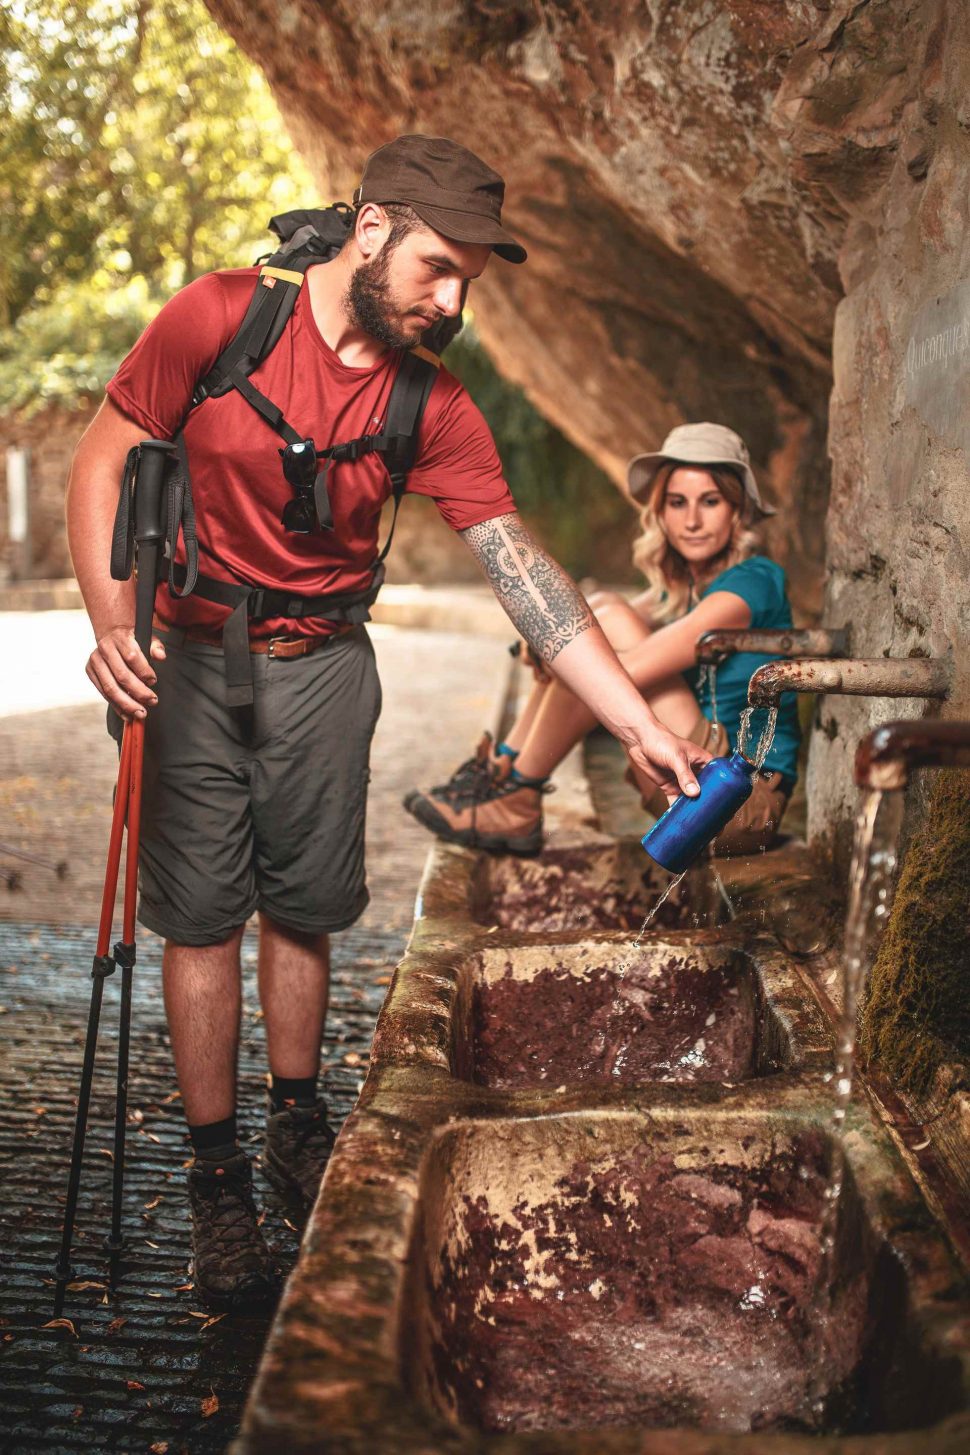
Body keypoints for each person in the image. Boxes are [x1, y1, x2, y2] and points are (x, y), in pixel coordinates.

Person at [65, 135, 708, 1309]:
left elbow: (526, 578)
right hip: (188, 660)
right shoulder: (217, 318)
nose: (454, 300)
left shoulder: (435, 401)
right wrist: (113, 623)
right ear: (371, 230)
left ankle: (297, 1122)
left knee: (303, 906)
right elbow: (103, 459)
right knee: (201, 919)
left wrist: (636, 725)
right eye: (437, 268)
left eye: (470, 279)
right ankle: (217, 1184)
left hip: (323, 666)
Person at [405, 422, 801, 854]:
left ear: (738, 510)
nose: (691, 520)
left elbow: (606, 668)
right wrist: (548, 647)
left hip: (738, 801)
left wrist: (557, 655)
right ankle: (503, 774)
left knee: (596, 638)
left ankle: (518, 788)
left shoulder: (754, 583)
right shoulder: (680, 588)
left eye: (710, 502)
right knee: (596, 614)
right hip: (684, 786)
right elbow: (587, 621)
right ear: (660, 512)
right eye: (677, 502)